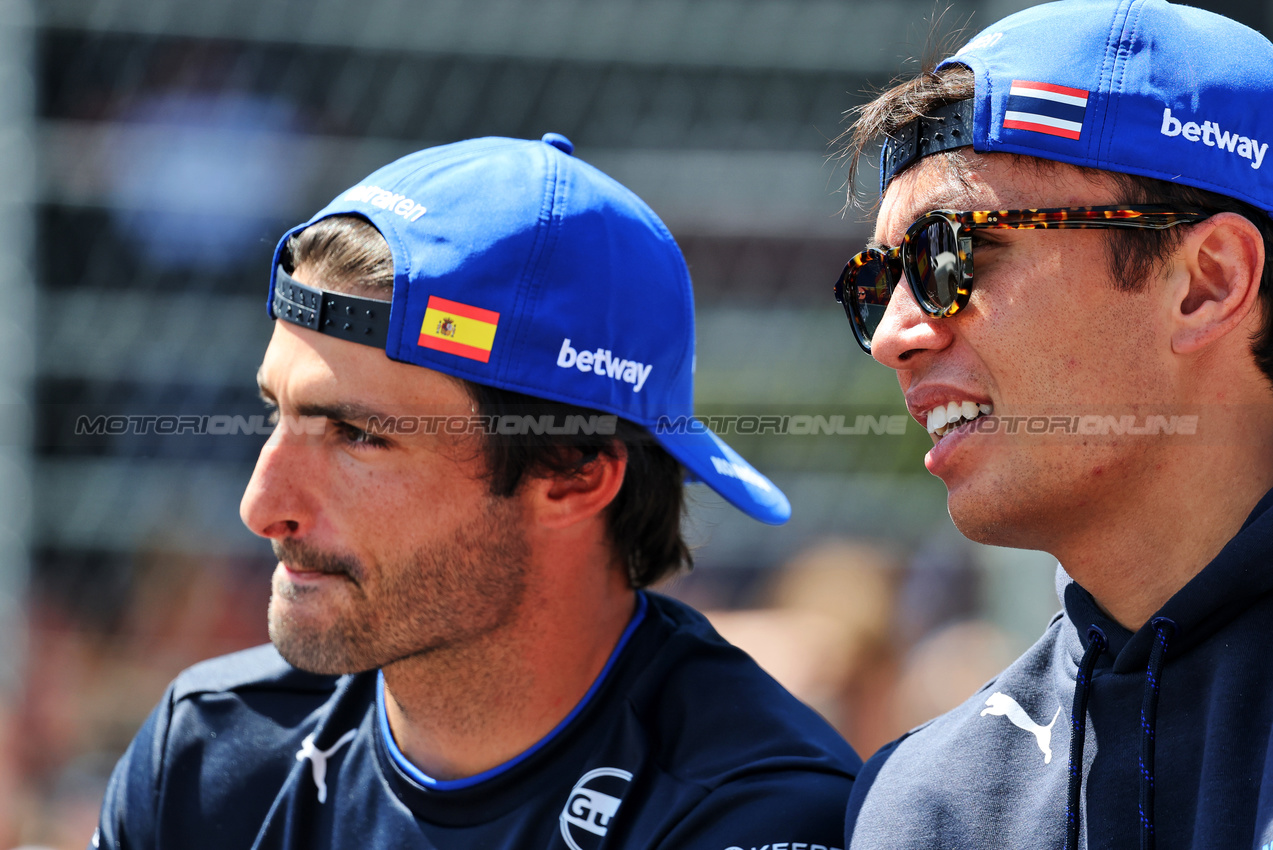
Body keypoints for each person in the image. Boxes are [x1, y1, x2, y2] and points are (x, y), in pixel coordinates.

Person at [94, 133, 860, 849]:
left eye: (358, 436)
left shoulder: (750, 810)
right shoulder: (207, 759)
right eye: (279, 413)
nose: (261, 506)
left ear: (572, 473)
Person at [832, 1, 1273, 848]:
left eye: (947, 256)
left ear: (1207, 283)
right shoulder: (927, 803)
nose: (892, 336)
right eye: (875, 284)